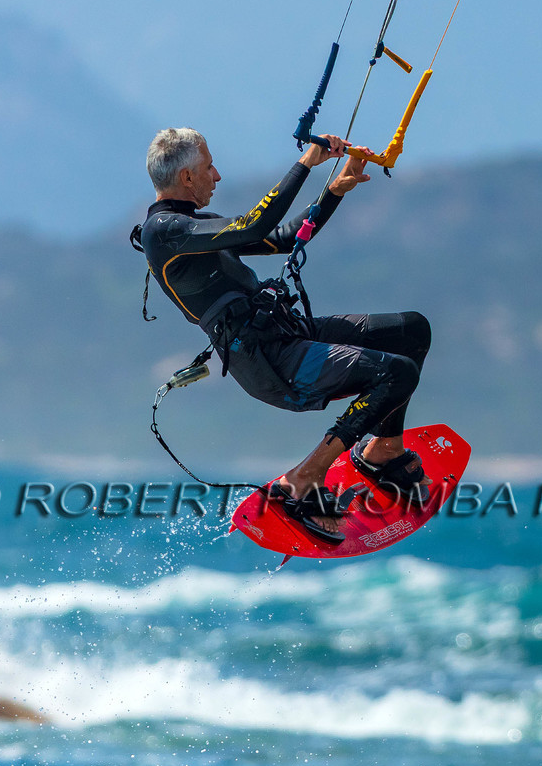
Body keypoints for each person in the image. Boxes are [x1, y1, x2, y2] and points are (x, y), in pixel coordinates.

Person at [133, 127, 431, 544]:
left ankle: (383, 451)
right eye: (208, 167)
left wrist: (335, 191)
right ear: (186, 178)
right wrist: (307, 162)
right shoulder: (164, 232)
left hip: (288, 334)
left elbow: (280, 239)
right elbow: (255, 225)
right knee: (395, 374)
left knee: (410, 331)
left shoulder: (191, 227)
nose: (216, 176)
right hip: (269, 362)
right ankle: (306, 476)